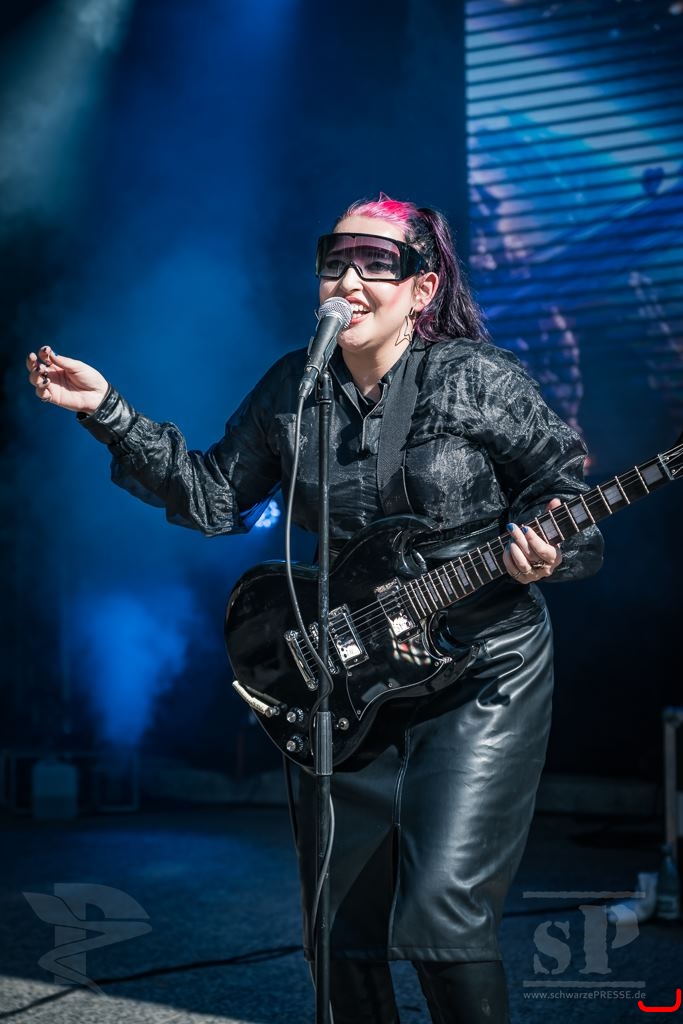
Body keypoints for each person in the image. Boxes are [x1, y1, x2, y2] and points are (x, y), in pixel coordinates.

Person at [26, 194, 604, 1023]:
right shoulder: (294, 389)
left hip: (480, 671)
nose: (349, 280)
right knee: (337, 935)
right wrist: (107, 412)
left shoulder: (477, 379)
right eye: (336, 260)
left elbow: (563, 492)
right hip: (349, 674)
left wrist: (547, 546)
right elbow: (213, 497)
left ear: (423, 288)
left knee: (440, 921)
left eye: (377, 263)